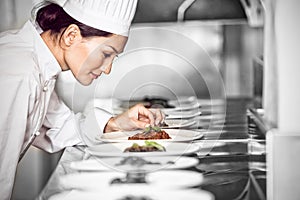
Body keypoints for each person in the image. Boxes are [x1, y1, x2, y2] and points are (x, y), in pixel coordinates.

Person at [0, 0, 164, 199]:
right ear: (71, 36)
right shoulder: (19, 71)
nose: (108, 68)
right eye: (106, 54)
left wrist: (115, 123)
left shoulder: (38, 64)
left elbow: (58, 127)